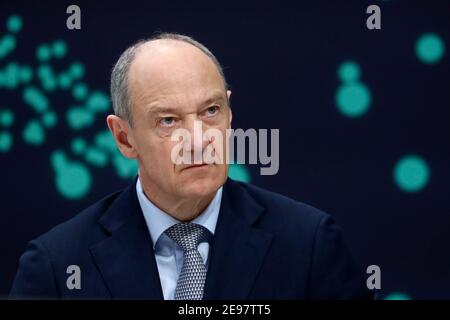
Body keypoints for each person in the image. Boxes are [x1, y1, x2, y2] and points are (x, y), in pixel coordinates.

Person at [10, 33, 373, 300]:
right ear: (124, 138)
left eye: (211, 111)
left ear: (230, 114)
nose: (198, 140)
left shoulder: (309, 244)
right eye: (168, 120)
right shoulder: (56, 267)